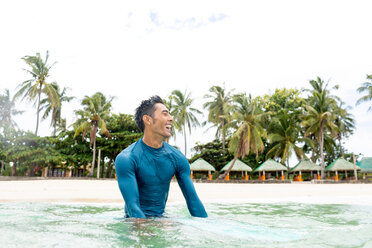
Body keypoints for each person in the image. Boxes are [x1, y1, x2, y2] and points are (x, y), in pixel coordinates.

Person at [115, 95, 208, 218]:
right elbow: (133, 207)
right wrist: (148, 231)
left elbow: (193, 201)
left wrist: (206, 229)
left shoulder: (177, 158)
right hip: (133, 221)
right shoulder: (127, 158)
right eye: (165, 114)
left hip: (161, 218)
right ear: (147, 119)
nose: (171, 119)